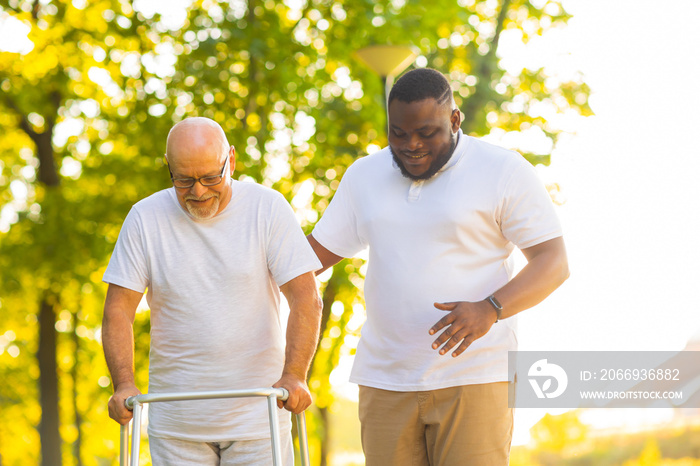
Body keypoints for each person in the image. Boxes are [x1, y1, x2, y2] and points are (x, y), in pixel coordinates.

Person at [307, 68, 569, 465]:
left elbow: (554, 262)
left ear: (454, 119)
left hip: (475, 378)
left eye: (426, 133)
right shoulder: (364, 175)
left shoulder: (502, 170)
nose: (411, 145)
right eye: (398, 132)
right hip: (385, 381)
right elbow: (310, 260)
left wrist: (490, 309)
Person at [102, 117, 322, 465]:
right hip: (177, 426)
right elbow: (118, 310)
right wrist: (123, 383)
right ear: (169, 169)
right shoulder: (145, 218)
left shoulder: (268, 208)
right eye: (184, 180)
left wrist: (295, 375)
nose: (199, 191)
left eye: (210, 177)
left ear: (231, 161)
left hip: (259, 418)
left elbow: (306, 297)